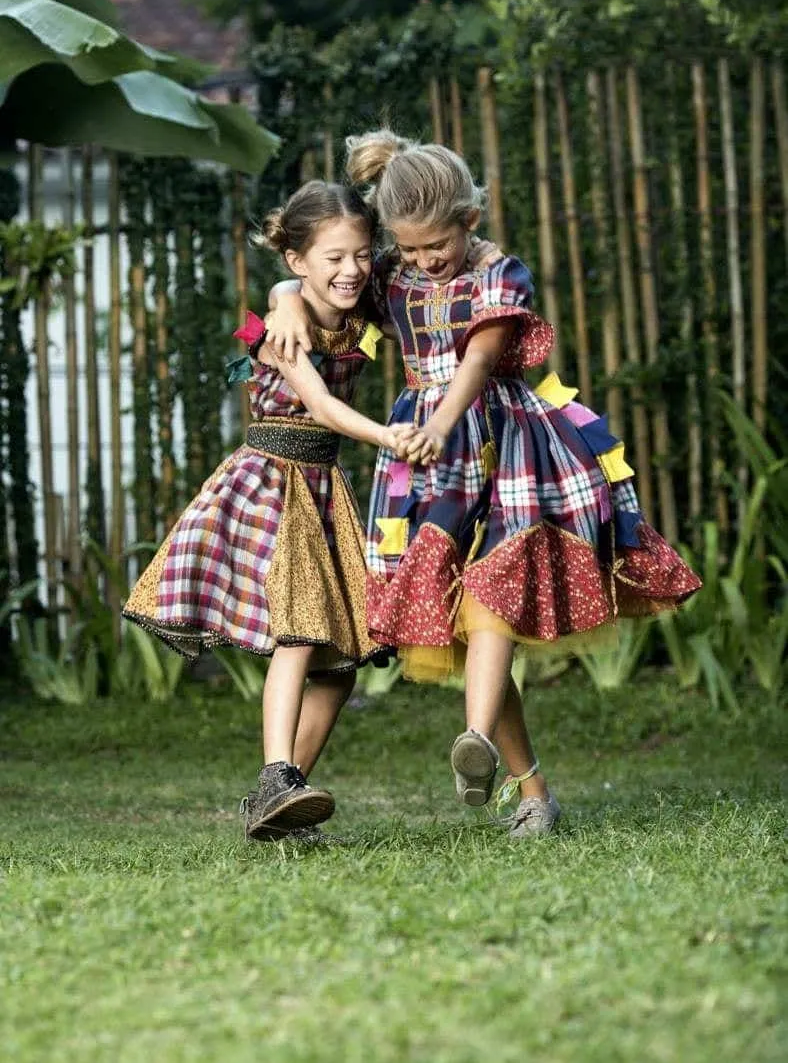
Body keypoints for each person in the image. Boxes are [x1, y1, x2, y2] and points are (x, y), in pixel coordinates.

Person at [266, 132, 702, 838]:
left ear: (469, 221)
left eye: (433, 246)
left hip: (504, 447)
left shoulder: (499, 271)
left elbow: (481, 357)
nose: (419, 261)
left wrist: (441, 418)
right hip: (426, 465)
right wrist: (284, 294)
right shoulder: (389, 276)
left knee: (495, 592)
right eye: (405, 250)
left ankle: (476, 739)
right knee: (465, 620)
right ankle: (529, 787)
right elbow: (321, 281)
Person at [123, 180, 417, 842]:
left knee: (342, 663)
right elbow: (316, 403)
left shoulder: (359, 303)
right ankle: (277, 771)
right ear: (296, 260)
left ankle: (279, 801)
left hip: (322, 485)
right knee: (300, 628)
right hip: (273, 481)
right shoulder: (279, 329)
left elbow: (407, 271)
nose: (351, 268)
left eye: (361, 254)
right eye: (334, 257)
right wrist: (386, 434)